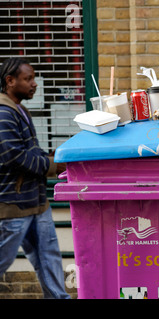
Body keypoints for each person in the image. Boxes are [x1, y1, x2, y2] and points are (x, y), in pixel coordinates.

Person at [0, 58, 70, 299]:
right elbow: (14, 157)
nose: (34, 84)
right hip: (13, 208)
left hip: (37, 204)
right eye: (28, 79)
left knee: (48, 259)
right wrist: (52, 165)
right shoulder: (3, 113)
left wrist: (51, 158)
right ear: (10, 81)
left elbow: (30, 152)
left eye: (34, 78)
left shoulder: (18, 109)